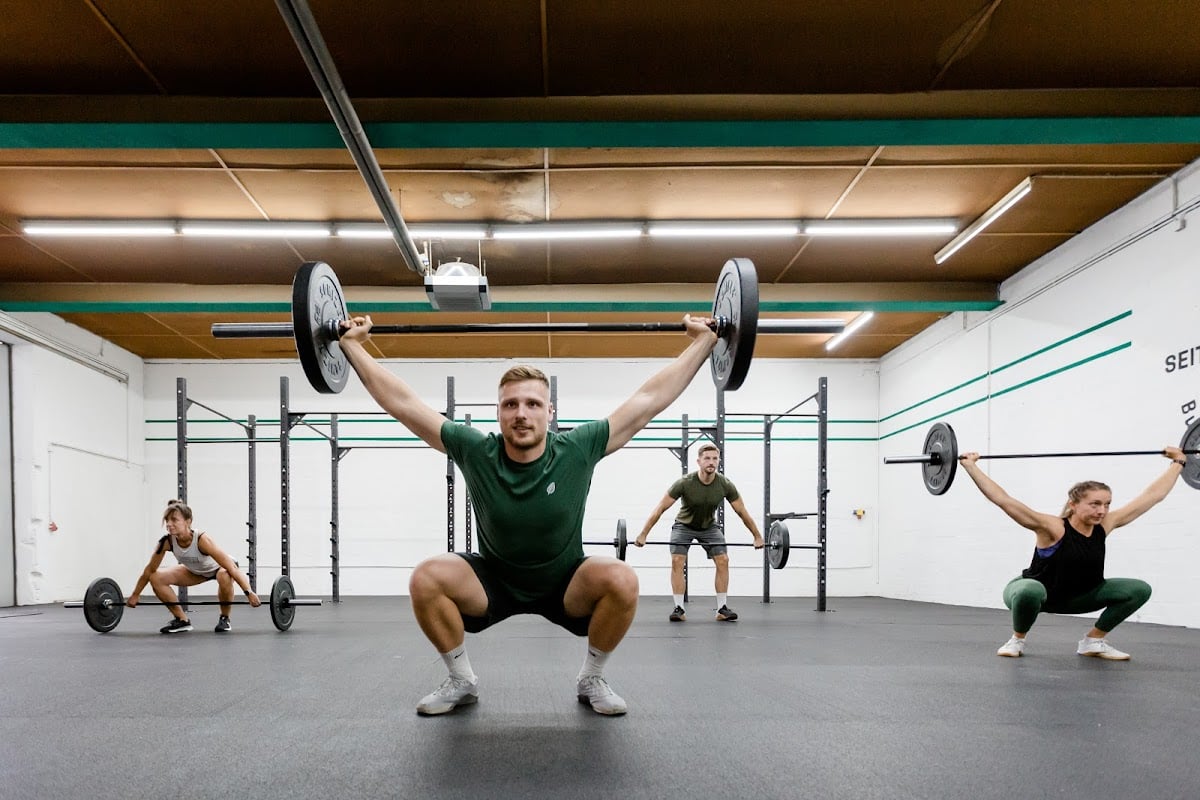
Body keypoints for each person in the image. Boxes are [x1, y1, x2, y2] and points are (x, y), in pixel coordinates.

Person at [338, 311, 720, 716]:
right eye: (511, 405)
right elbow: (403, 404)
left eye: (533, 404)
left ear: (549, 412)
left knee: (622, 579)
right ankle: (461, 679)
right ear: (498, 412)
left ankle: (592, 677)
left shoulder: (578, 448)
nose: (521, 413)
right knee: (426, 577)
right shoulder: (476, 450)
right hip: (493, 580)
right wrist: (351, 346)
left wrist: (703, 343)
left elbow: (647, 402)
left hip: (565, 583)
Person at [957, 445, 1188, 660]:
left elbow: (1151, 497)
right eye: (1095, 504)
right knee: (1030, 591)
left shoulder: (1105, 525)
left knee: (1139, 589)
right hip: (1037, 593)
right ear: (1074, 504)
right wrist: (971, 467)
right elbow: (1003, 500)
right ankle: (1017, 639)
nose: (1102, 510)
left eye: (1107, 504)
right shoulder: (1052, 527)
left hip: (1078, 597)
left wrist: (1178, 463)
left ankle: (1093, 642)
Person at [634, 442, 764, 622]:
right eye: (707, 458)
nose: (711, 462)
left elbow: (742, 511)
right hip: (683, 526)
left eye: (715, 458)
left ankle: (721, 609)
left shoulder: (725, 484)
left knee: (723, 560)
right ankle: (679, 608)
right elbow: (660, 508)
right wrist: (643, 534)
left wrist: (757, 536)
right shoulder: (685, 483)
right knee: (677, 560)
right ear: (699, 461)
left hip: (709, 527)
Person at [127, 499, 261, 633]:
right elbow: (149, 570)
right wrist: (135, 595)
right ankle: (182, 620)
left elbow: (231, 567)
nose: (169, 524)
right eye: (167, 520)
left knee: (223, 575)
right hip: (196, 571)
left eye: (174, 520)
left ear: (188, 521)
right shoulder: (167, 542)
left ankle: (225, 618)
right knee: (156, 577)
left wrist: (248, 593)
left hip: (220, 568)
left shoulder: (202, 540)